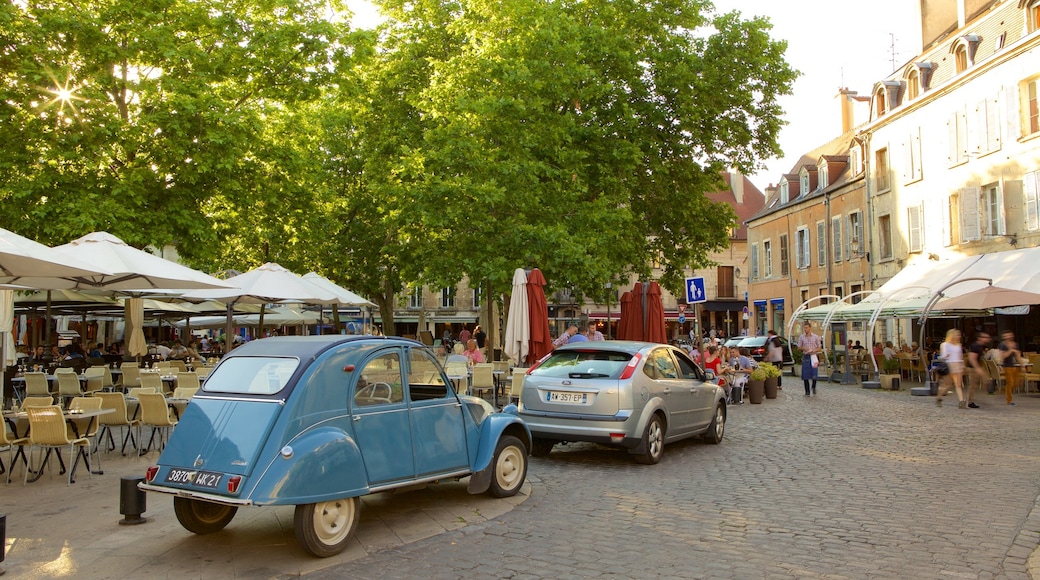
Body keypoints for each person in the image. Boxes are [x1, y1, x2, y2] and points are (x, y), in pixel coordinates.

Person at [936, 328, 965, 408]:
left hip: (957, 364)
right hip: (949, 364)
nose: (959, 336)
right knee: (948, 384)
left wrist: (962, 364)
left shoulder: (959, 345)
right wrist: (946, 355)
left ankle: (961, 401)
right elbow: (942, 356)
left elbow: (960, 355)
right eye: (957, 335)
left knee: (958, 384)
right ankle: (939, 397)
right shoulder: (945, 344)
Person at [966, 332, 990, 409]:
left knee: (976, 383)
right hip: (973, 368)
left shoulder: (980, 346)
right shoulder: (975, 346)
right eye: (985, 337)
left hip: (976, 367)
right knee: (973, 385)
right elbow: (972, 358)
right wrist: (977, 368)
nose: (987, 339)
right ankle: (970, 401)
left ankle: (984, 392)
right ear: (980, 338)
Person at [797, 322, 822, 395]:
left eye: (807, 328)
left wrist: (815, 350)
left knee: (814, 373)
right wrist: (804, 348)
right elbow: (798, 347)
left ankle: (813, 386)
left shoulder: (815, 337)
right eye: (804, 328)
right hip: (806, 356)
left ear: (810, 328)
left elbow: (819, 347)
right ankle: (807, 391)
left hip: (813, 356)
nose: (805, 329)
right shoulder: (802, 337)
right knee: (805, 374)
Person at [998, 331, 1022, 406]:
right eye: (1006, 336)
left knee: (1016, 383)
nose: (1008, 337)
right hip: (1006, 365)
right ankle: (1009, 400)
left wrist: (1022, 365)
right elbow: (1003, 356)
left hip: (1014, 365)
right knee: (1010, 382)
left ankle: (1006, 392)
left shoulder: (1015, 344)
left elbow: (1018, 355)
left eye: (1009, 335)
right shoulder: (1002, 345)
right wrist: (1010, 350)